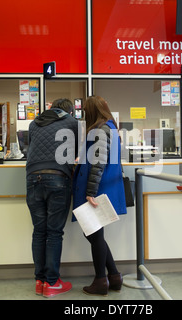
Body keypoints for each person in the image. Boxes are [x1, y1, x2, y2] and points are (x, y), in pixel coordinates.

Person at [72, 95, 127, 296]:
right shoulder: (111, 127)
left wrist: (90, 192)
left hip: (97, 190)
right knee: (95, 234)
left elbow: (99, 162)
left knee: (94, 235)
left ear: (92, 112)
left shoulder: (101, 130)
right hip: (104, 187)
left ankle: (101, 280)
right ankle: (113, 276)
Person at [26, 98, 78, 298]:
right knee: (54, 232)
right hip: (57, 177)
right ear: (69, 111)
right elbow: (75, 153)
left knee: (39, 231)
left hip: (32, 178)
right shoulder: (72, 123)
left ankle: (39, 281)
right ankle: (52, 282)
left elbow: (31, 149)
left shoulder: (33, 123)